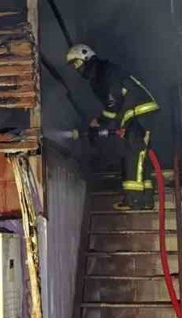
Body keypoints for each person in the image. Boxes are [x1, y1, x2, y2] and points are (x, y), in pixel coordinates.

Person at [66, 43, 160, 211]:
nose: (76, 68)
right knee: (140, 158)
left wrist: (99, 121)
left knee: (133, 156)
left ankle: (134, 200)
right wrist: (120, 124)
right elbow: (118, 104)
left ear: (86, 57)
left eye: (76, 63)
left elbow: (113, 102)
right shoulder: (102, 73)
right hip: (135, 115)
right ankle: (145, 199)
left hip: (140, 114)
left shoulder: (104, 72)